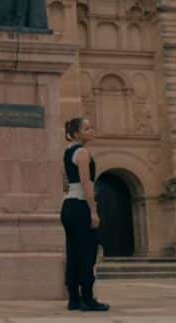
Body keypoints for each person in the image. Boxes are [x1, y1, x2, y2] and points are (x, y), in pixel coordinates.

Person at [60, 117, 110, 312]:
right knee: (87, 253)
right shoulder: (82, 153)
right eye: (87, 128)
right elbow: (86, 183)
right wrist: (93, 210)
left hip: (68, 205)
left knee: (73, 252)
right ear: (75, 133)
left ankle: (74, 298)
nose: (91, 130)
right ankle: (88, 299)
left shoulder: (67, 152)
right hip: (81, 206)